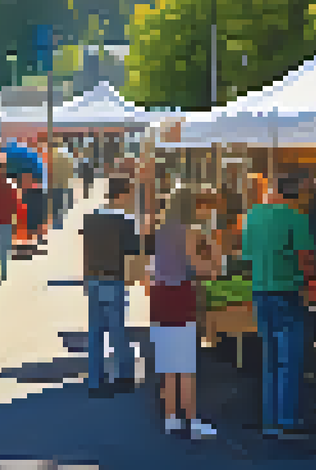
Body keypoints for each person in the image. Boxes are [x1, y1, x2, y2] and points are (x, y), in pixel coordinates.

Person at [242, 176, 316, 438]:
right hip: (287, 291)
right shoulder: (296, 218)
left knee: (269, 357)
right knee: (290, 358)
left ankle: (270, 419)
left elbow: (247, 254)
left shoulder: (252, 216)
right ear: (295, 194)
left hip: (260, 290)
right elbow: (306, 258)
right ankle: (288, 419)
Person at [149, 188, 220, 438]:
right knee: (186, 363)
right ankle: (191, 420)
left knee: (169, 362)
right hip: (179, 294)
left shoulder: (161, 230)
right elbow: (196, 265)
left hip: (159, 295)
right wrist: (213, 255)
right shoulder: (189, 232)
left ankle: (171, 418)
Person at [81, 175, 143, 398]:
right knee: (117, 330)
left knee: (95, 331)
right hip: (115, 278)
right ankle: (121, 377)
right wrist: (133, 279)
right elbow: (133, 255)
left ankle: (95, 381)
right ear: (124, 194)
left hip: (94, 277)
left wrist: (86, 277)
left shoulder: (91, 218)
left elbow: (86, 252)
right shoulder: (126, 221)